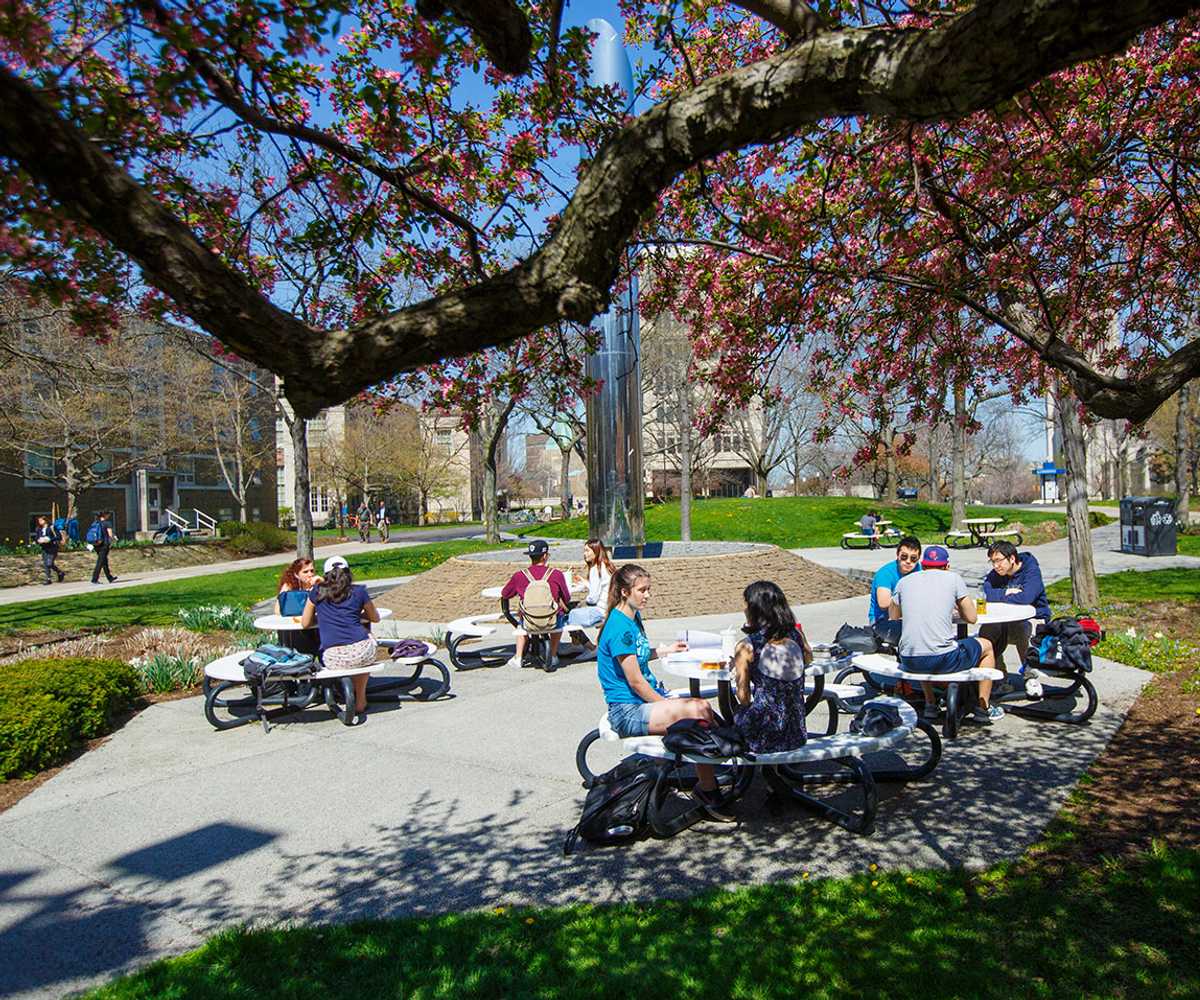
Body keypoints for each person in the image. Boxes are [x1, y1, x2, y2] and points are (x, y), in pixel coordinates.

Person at [597, 564, 733, 821]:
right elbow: (636, 682)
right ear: (625, 592)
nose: (648, 595)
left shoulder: (631, 617)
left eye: (649, 589)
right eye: (642, 590)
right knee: (696, 713)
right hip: (627, 710)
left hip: (641, 703)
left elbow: (636, 656)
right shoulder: (619, 627)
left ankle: (716, 772)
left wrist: (664, 651)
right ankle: (711, 784)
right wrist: (668, 706)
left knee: (701, 710)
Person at [890, 544, 1001, 724]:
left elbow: (894, 616)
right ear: (947, 566)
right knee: (986, 646)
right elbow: (972, 618)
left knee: (923, 641)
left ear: (923, 565)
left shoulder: (905, 582)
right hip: (942, 659)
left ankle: (930, 704)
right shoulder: (953, 579)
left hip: (909, 659)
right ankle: (983, 707)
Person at [731, 581, 813, 753]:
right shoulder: (797, 635)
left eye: (746, 605)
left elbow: (743, 697)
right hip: (797, 732)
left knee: (733, 716)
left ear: (755, 609)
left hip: (764, 736)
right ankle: (774, 772)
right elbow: (808, 658)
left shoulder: (746, 646)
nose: (743, 609)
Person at [300, 560, 380, 722]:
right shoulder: (359, 591)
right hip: (362, 652)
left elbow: (305, 623)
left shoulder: (317, 592)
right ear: (348, 572)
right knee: (367, 638)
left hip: (334, 657)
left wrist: (324, 617)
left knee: (338, 653)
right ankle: (361, 699)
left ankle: (335, 693)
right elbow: (375, 618)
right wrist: (354, 615)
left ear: (326, 574)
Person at [501, 539, 572, 669]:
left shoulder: (519, 575)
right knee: (559, 614)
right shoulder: (556, 574)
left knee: (521, 621)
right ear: (545, 556)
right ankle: (553, 654)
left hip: (529, 621)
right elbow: (566, 598)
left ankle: (518, 657)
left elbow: (505, 594)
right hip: (552, 621)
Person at [980, 540, 1050, 669]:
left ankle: (1029, 676)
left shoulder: (1031, 571)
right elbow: (987, 594)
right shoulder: (996, 574)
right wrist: (1006, 592)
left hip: (1035, 619)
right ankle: (999, 677)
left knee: (1023, 628)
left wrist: (999, 596)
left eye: (999, 560)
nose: (995, 566)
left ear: (1012, 558)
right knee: (987, 631)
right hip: (1006, 620)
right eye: (992, 561)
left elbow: (1026, 597)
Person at [565, 538, 615, 645]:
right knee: (573, 609)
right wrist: (585, 583)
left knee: (568, 615)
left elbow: (593, 598)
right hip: (608, 608)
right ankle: (577, 644)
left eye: (587, 551)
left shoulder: (596, 569)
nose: (584, 554)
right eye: (584, 551)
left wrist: (584, 601)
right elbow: (598, 588)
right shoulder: (605, 566)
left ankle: (589, 647)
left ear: (596, 551)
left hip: (600, 611)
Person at [867, 535, 922, 624]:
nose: (908, 561)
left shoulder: (919, 569)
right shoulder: (885, 573)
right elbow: (883, 604)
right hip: (882, 619)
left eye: (913, 558)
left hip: (909, 616)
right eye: (904, 557)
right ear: (897, 555)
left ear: (918, 558)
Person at [277, 558, 321, 656]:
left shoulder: (318, 584)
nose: (310, 574)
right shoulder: (290, 586)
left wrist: (323, 583)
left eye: (312, 571)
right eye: (305, 572)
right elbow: (278, 609)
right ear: (297, 574)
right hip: (296, 627)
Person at [34, 515, 65, 585]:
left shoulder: (52, 527)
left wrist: (49, 539)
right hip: (44, 548)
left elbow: (58, 537)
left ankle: (60, 572)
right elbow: (36, 538)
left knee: (49, 563)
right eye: (39, 521)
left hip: (52, 547)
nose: (39, 522)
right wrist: (38, 540)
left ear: (45, 521)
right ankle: (48, 579)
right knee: (46, 564)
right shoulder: (39, 529)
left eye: (41, 520)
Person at [89, 512, 118, 584]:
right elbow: (110, 535)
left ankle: (109, 577)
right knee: (100, 562)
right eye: (108, 514)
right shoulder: (107, 523)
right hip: (104, 545)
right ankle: (94, 579)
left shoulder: (95, 523)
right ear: (105, 515)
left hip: (96, 544)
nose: (109, 516)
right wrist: (113, 540)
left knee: (104, 561)